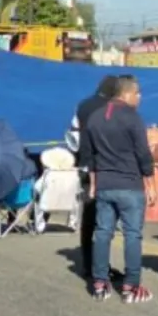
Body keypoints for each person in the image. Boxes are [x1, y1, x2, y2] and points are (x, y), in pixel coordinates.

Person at [77, 75, 157, 303]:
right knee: (132, 234)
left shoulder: (94, 118)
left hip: (104, 184)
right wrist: (150, 185)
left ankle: (100, 283)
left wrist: (93, 183)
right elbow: (143, 153)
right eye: (138, 93)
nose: (140, 97)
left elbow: (89, 154)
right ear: (127, 93)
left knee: (103, 233)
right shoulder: (132, 118)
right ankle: (131, 286)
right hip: (130, 185)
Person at [68, 76, 119, 280]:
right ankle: (102, 266)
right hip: (107, 167)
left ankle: (88, 264)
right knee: (106, 221)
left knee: (88, 219)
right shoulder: (113, 108)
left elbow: (74, 135)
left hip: (86, 165)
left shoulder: (83, 105)